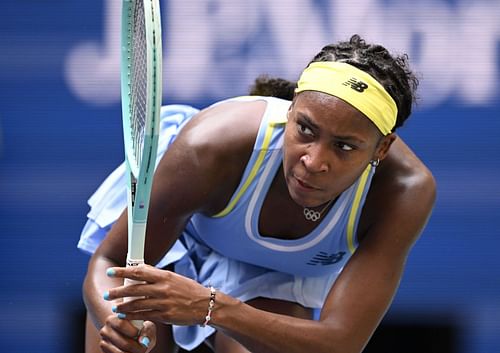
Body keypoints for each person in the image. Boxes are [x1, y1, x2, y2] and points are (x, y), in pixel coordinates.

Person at [78, 34, 436, 353]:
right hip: (178, 237)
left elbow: (340, 342)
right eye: (306, 129)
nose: (313, 162)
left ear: (381, 149)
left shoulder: (404, 192)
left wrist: (209, 306)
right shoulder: (211, 146)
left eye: (344, 147)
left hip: (271, 278)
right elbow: (109, 262)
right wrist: (119, 327)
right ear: (291, 109)